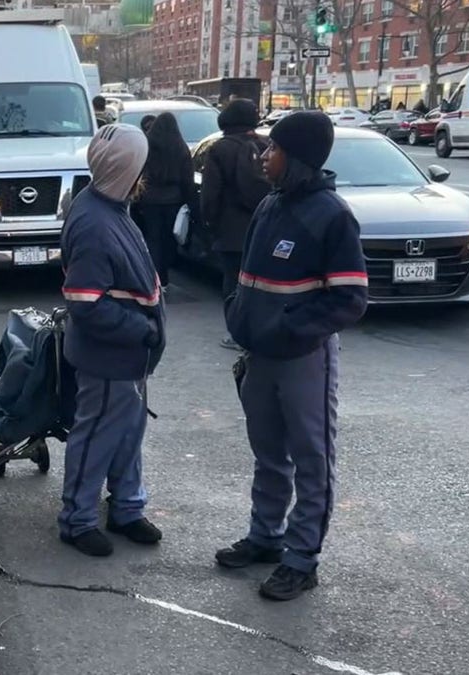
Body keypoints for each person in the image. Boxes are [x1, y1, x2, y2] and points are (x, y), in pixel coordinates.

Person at [217, 111, 368, 601]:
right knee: (268, 453)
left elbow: (349, 299)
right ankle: (266, 537)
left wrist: (289, 330)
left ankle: (301, 560)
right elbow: (249, 279)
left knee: (311, 459)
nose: (264, 157)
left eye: (273, 150)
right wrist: (241, 319)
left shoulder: (333, 216)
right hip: (259, 354)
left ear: (298, 157)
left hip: (303, 358)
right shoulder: (270, 205)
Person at [57, 123, 167, 557]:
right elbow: (85, 301)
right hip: (110, 355)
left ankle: (126, 506)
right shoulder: (96, 223)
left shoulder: (106, 206)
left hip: (127, 357)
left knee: (126, 433)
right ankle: (77, 519)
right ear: (128, 168)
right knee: (99, 433)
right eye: (140, 163)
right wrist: (141, 329)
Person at [199, 99, 271, 350]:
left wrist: (209, 223)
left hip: (231, 231)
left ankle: (237, 332)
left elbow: (211, 194)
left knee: (233, 282)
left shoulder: (220, 149)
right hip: (265, 227)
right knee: (262, 281)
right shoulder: (267, 145)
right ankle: (261, 327)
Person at [131, 112, 195, 289]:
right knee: (168, 239)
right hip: (173, 201)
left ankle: (154, 277)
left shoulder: (147, 146)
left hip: (149, 200)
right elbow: (187, 179)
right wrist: (191, 203)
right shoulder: (180, 147)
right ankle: (164, 277)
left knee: (153, 239)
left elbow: (139, 173)